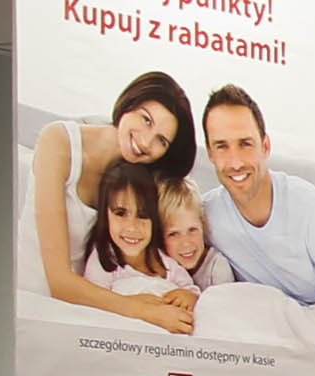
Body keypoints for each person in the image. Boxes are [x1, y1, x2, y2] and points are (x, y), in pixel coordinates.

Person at [25, 71, 198, 335]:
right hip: (35, 295)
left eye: (161, 140)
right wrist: (142, 310)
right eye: (146, 119)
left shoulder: (134, 179)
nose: (145, 142)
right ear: (129, 103)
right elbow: (59, 282)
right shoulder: (58, 141)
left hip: (93, 304)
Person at [195, 85, 315, 307]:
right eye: (222, 146)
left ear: (266, 146)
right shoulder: (204, 217)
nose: (236, 162)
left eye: (245, 144)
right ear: (210, 153)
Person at [80, 169, 181, 298]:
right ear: (105, 216)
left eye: (143, 215)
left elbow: (192, 291)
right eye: (120, 213)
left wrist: (187, 296)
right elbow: (94, 302)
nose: (132, 227)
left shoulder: (165, 261)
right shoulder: (102, 262)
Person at [156, 184, 233, 291]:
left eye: (192, 230)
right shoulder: (162, 265)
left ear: (203, 226)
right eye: (173, 234)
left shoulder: (217, 268)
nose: (186, 243)